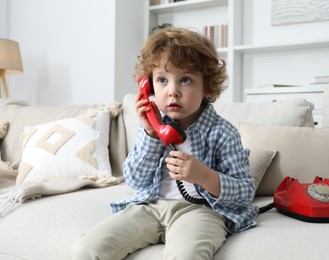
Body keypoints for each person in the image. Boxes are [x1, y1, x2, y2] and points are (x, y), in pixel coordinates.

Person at [71, 27, 258, 260]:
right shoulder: (152, 126)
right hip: (150, 206)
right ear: (148, 86)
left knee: (186, 255)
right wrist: (151, 134)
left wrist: (204, 176)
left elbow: (244, 192)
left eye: (185, 80)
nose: (173, 92)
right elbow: (134, 179)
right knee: (86, 250)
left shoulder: (222, 132)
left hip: (200, 210)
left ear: (207, 86)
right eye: (161, 80)